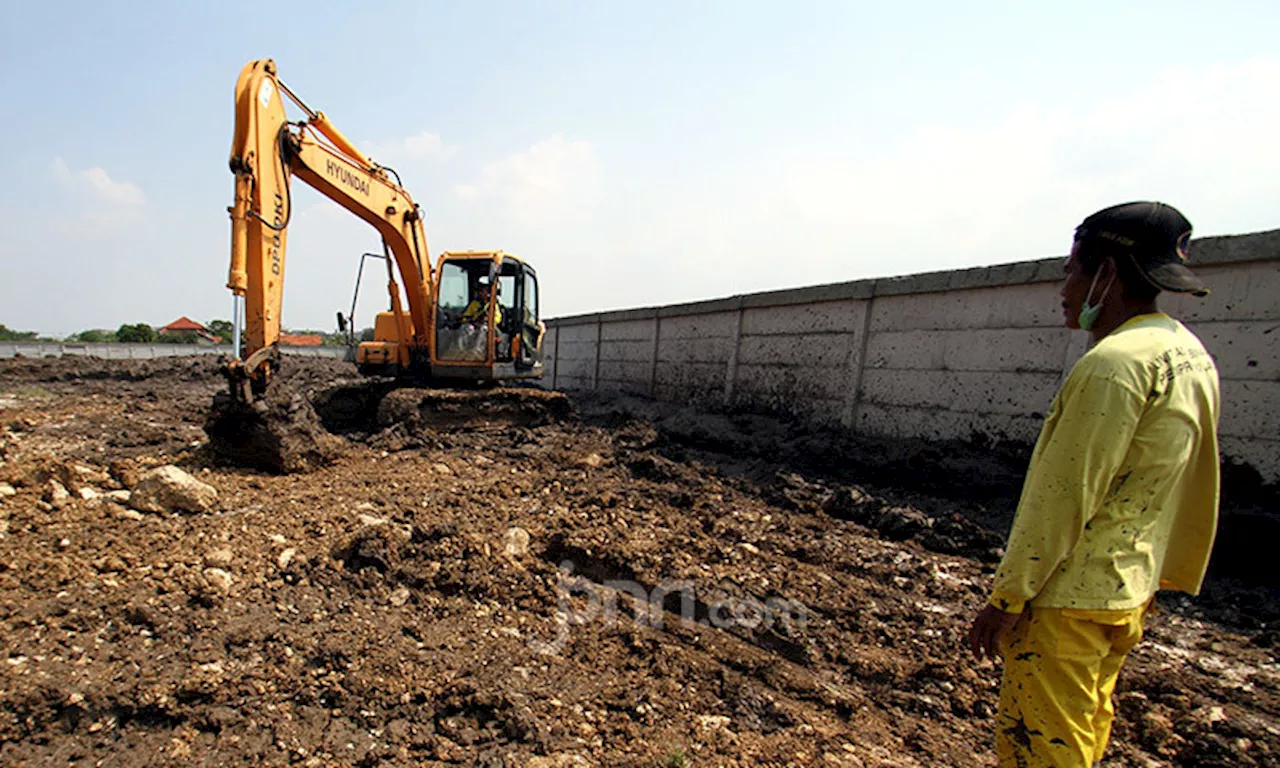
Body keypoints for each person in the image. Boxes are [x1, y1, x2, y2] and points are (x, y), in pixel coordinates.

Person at [968, 201, 1221, 768]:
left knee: (1042, 745)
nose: (1064, 287)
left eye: (1071, 271)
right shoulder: (1186, 353)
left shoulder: (1113, 365)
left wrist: (1007, 597)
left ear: (1105, 274)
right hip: (1128, 586)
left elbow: (1064, 495)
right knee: (1083, 725)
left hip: (1066, 597)